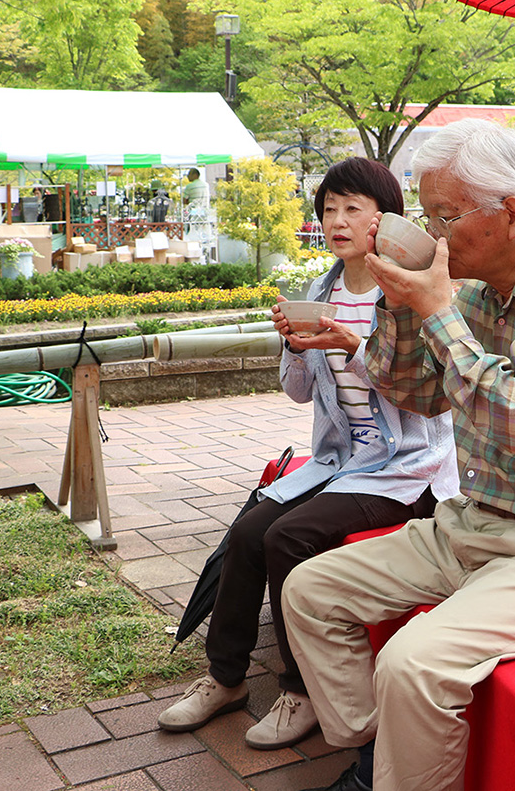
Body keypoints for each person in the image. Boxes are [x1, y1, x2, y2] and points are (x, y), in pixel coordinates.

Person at [282, 118, 515, 791]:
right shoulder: (473, 291)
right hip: (472, 522)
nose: (434, 232)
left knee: (412, 664)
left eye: (443, 216)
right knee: (309, 590)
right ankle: (377, 756)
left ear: (511, 213)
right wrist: (401, 303)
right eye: (427, 216)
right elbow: (414, 392)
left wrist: (440, 311)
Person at [157, 158, 458, 752]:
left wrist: (355, 345)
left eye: (353, 208)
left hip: (404, 468)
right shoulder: (320, 291)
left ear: (385, 219)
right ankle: (225, 678)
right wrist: (292, 345)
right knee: (247, 532)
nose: (338, 221)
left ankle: (303, 690)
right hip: (340, 461)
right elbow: (297, 391)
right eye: (328, 209)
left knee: (286, 537)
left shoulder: (409, 295)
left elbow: (433, 400)